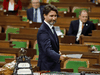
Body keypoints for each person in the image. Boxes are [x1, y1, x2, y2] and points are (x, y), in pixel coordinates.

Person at [37, 4, 66, 71]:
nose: (54, 18)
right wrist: (59, 57)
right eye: (51, 16)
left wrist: (57, 51)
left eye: (55, 16)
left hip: (53, 65)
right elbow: (47, 49)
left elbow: (51, 45)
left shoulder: (51, 27)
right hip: (47, 66)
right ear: (44, 15)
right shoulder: (43, 30)